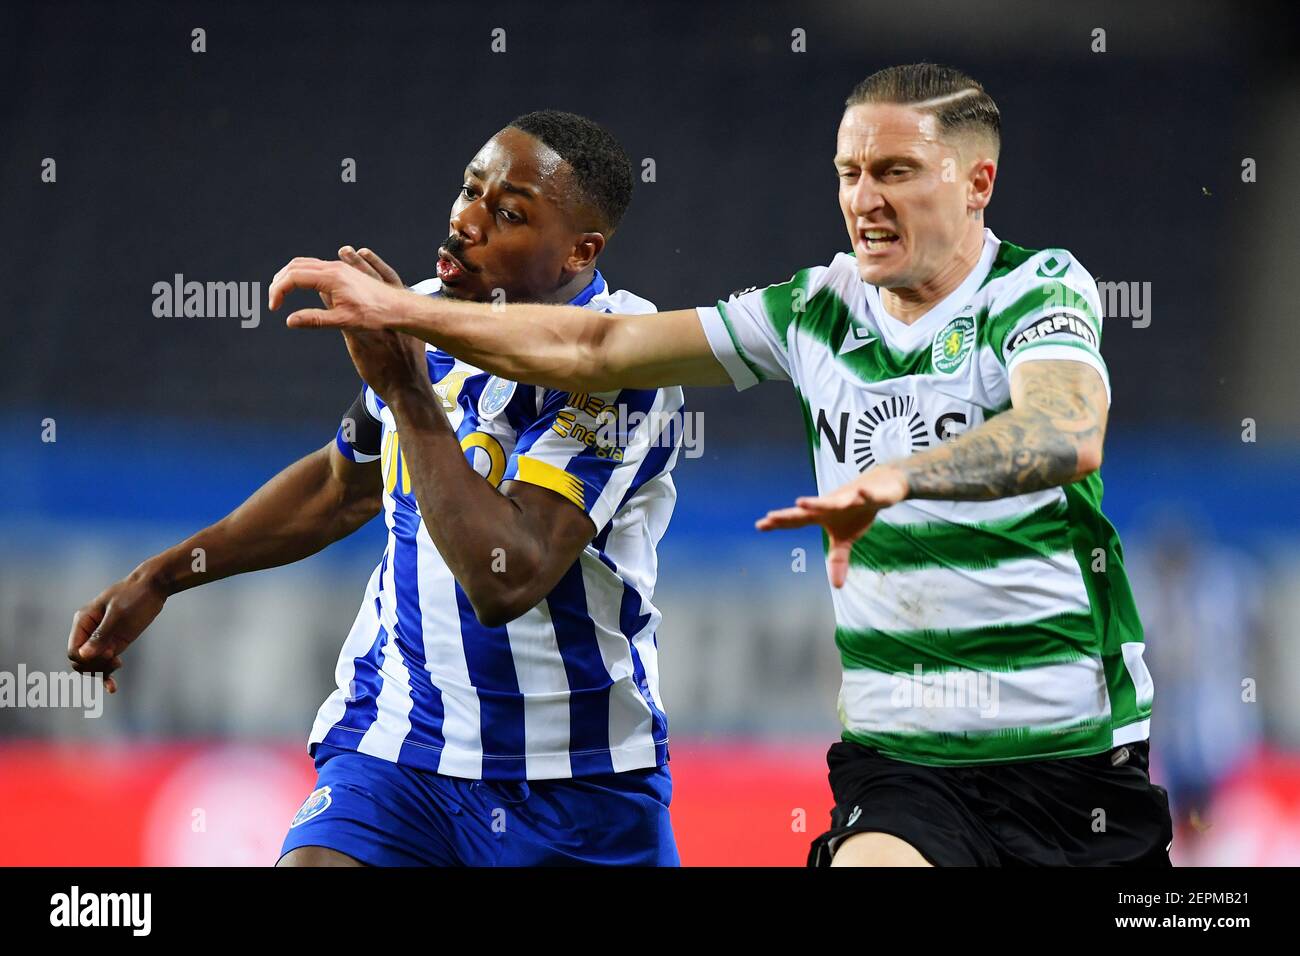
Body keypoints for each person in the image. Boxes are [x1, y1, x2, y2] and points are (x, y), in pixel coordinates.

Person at [269, 64, 1174, 867]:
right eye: (849, 174)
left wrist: (905, 478)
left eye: (895, 172)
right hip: (906, 769)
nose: (866, 199)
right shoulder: (813, 309)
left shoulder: (1037, 287)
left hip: (1077, 760)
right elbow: (596, 347)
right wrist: (403, 311)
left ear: (977, 183)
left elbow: (1065, 428)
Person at [69, 110, 685, 866]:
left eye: (509, 213)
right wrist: (164, 575)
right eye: (470, 189)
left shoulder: (628, 361)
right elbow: (343, 486)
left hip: (579, 780)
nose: (466, 221)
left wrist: (407, 390)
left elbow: (509, 576)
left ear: (578, 253)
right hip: (399, 747)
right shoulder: (417, 310)